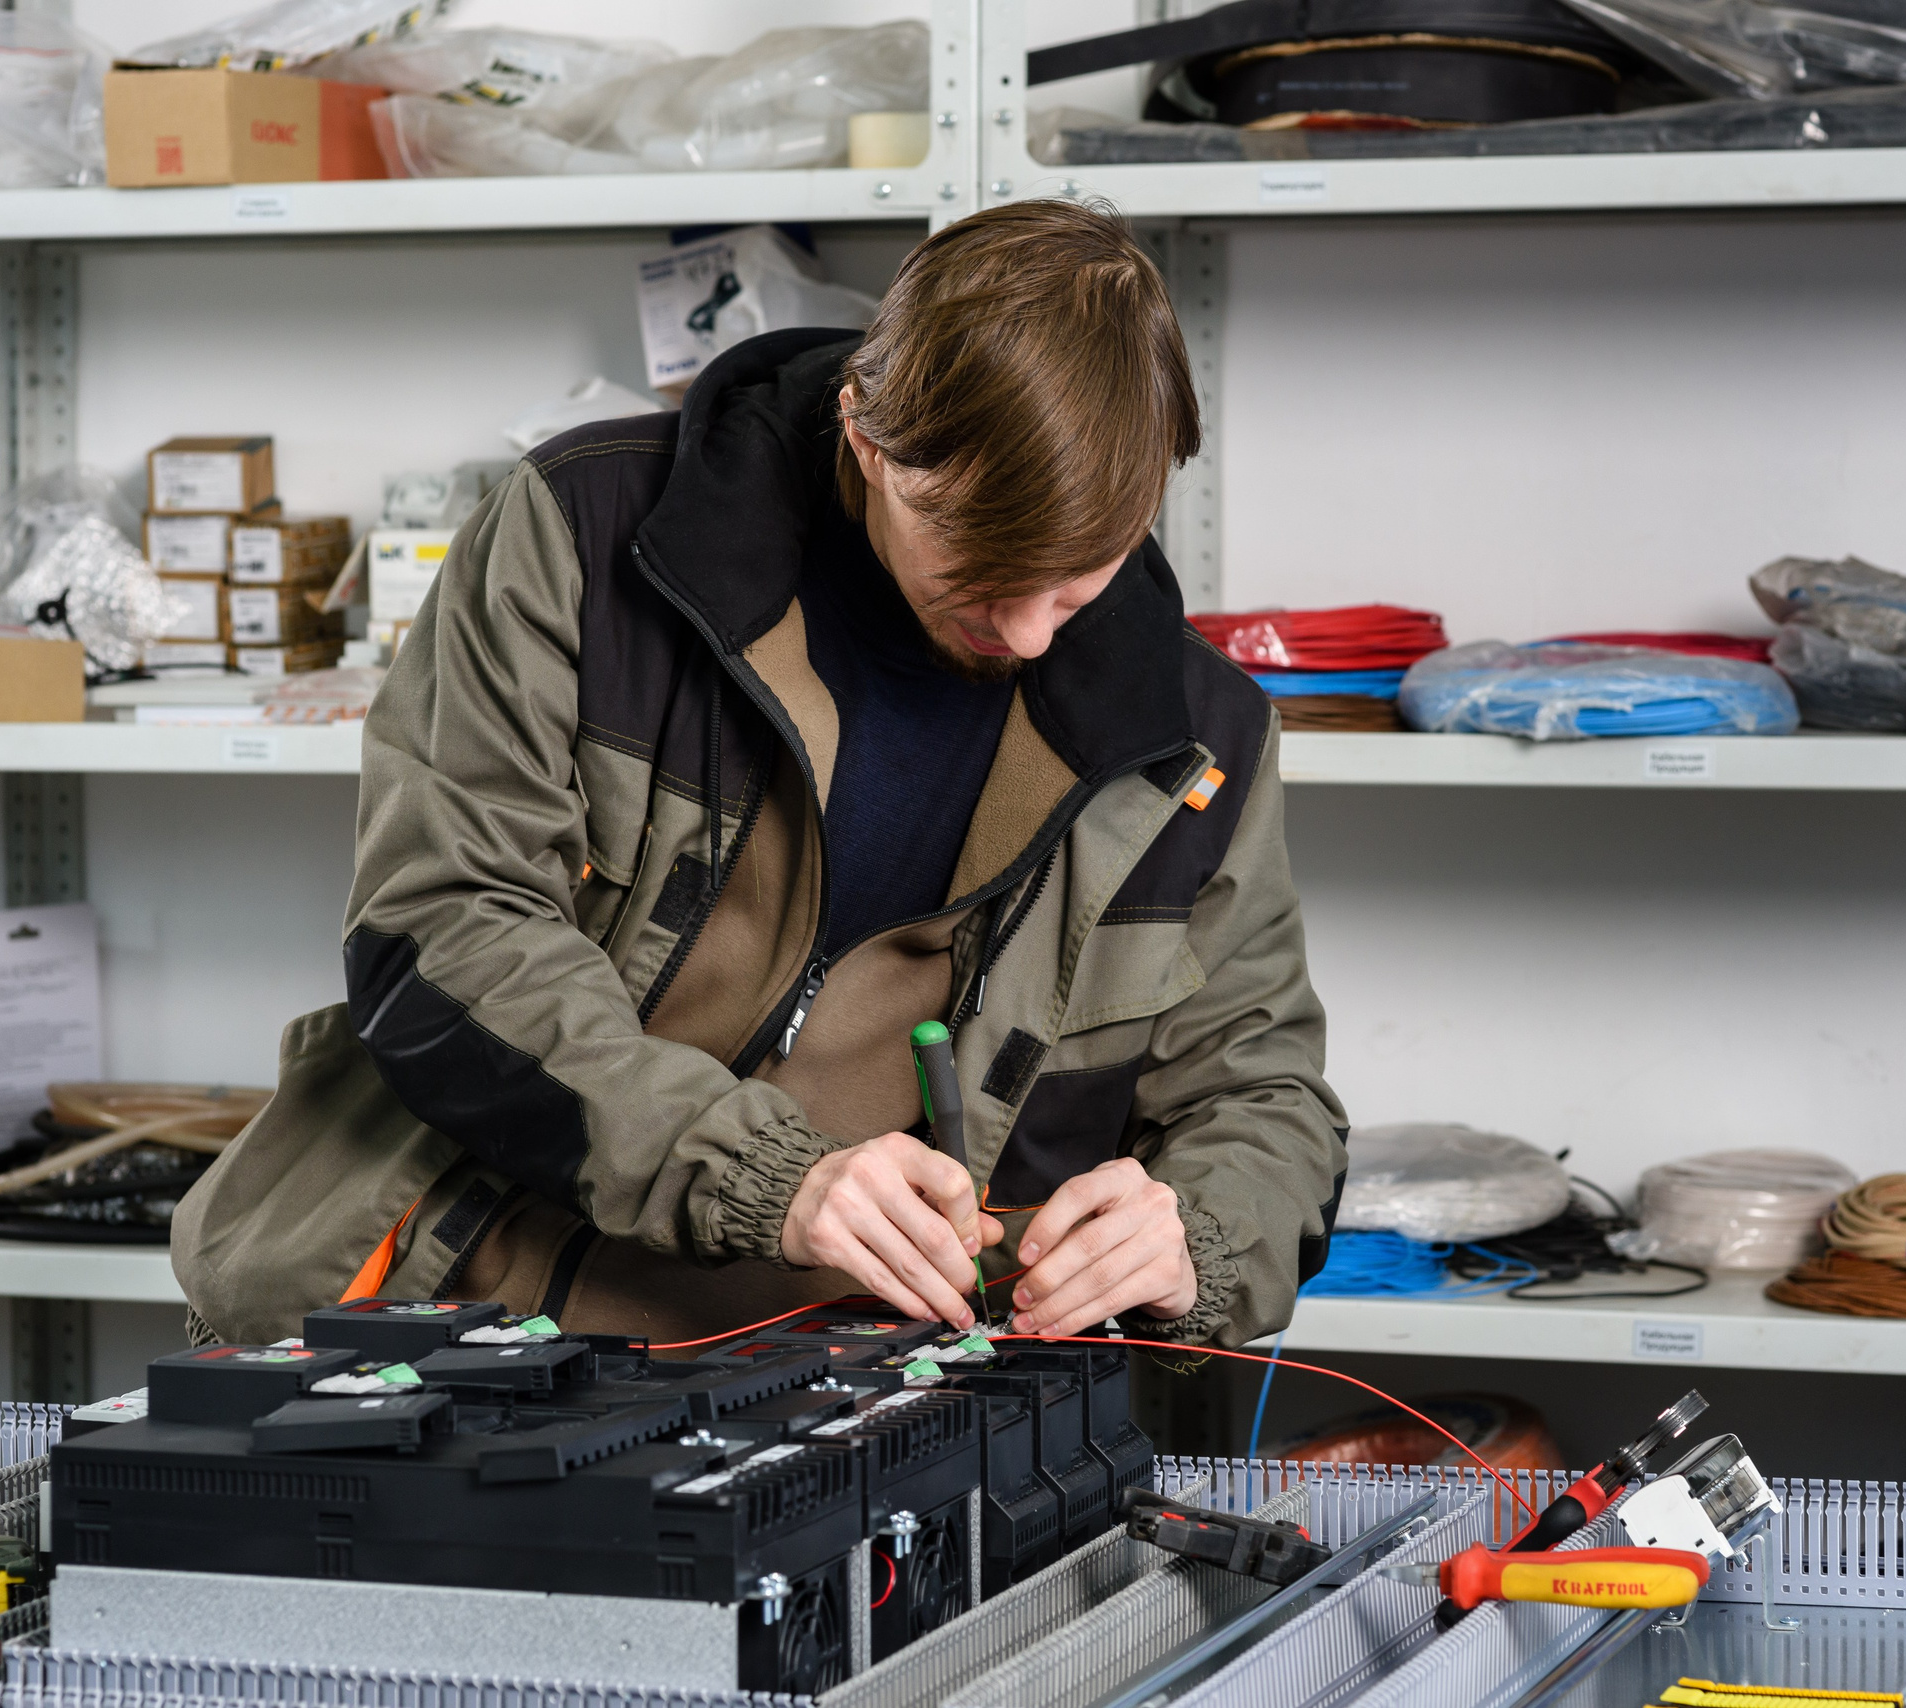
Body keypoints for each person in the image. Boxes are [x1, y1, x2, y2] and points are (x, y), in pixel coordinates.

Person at [174, 200, 1348, 1352]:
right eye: (983, 576)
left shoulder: (1197, 738)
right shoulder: (581, 538)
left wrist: (1196, 1233)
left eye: (1077, 583)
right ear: (867, 435)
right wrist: (761, 1175)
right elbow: (440, 932)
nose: (1032, 633)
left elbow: (1263, 1094)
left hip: (859, 1388)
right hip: (447, 1310)